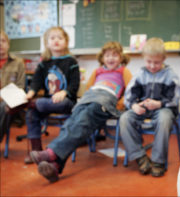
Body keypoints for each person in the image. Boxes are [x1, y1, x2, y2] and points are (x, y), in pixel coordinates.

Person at [29, 41, 132, 183]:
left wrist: (121, 103)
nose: (111, 58)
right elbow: (89, 86)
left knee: (83, 119)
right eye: (107, 55)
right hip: (90, 97)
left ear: (121, 58)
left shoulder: (123, 71)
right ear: (102, 58)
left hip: (107, 100)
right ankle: (55, 165)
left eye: (115, 55)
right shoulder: (97, 71)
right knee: (73, 121)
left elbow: (131, 89)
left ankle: (51, 153)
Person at [119, 37, 180, 177]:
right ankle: (140, 157)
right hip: (143, 109)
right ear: (143, 58)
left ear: (164, 59)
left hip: (163, 109)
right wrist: (134, 105)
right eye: (149, 62)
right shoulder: (140, 75)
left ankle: (158, 161)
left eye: (157, 62)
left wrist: (159, 104)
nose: (152, 66)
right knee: (124, 118)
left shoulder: (170, 76)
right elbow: (129, 95)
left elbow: (175, 98)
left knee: (164, 119)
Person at [24, 27, 80, 164]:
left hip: (66, 103)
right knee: (32, 112)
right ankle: (36, 152)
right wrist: (30, 93)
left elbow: (74, 85)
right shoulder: (44, 63)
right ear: (47, 43)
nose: (56, 41)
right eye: (52, 38)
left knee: (42, 103)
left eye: (60, 38)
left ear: (66, 42)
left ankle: (23, 105)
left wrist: (64, 92)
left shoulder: (71, 62)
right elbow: (36, 81)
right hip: (47, 103)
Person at [0, 30, 26, 142]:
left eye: (3, 41)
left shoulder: (18, 62)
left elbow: (21, 87)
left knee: (3, 107)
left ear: (8, 44)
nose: (0, 44)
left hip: (10, 101)